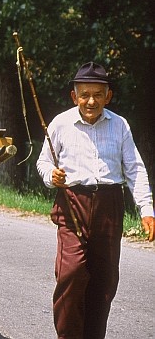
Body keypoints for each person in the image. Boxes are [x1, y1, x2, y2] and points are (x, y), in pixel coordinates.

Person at [36, 62, 154, 339]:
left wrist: (146, 209)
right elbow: (43, 162)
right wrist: (51, 175)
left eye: (98, 95)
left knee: (104, 281)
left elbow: (135, 168)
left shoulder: (119, 125)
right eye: (85, 94)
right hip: (71, 203)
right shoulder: (60, 123)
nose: (91, 101)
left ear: (108, 96)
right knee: (71, 274)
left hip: (109, 209)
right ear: (74, 97)